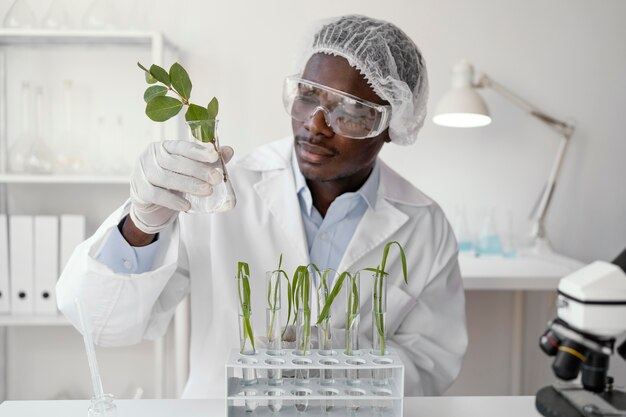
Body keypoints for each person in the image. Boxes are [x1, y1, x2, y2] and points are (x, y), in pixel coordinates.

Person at [56, 14, 467, 397]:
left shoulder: (424, 225)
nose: (316, 124)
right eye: (308, 95)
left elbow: (431, 363)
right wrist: (141, 225)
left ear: (393, 126)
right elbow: (100, 324)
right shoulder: (223, 191)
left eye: (352, 111)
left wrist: (336, 355)